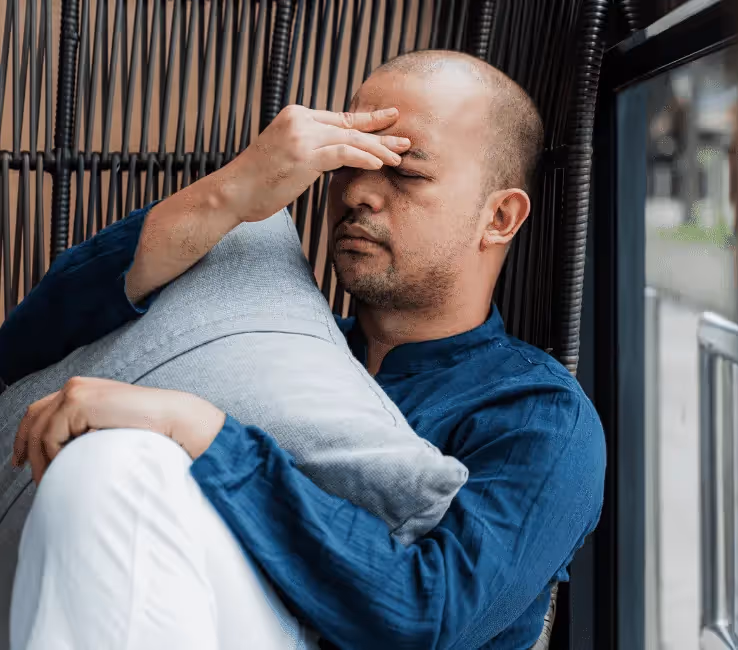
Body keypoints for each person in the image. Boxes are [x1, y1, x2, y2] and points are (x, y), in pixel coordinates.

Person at [0, 50, 605, 649]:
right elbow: (22, 356)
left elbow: (432, 615)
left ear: (500, 216)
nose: (359, 193)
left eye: (405, 171)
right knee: (101, 465)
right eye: (348, 161)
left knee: (121, 467)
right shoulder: (271, 350)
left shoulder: (539, 414)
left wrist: (206, 432)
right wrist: (233, 193)